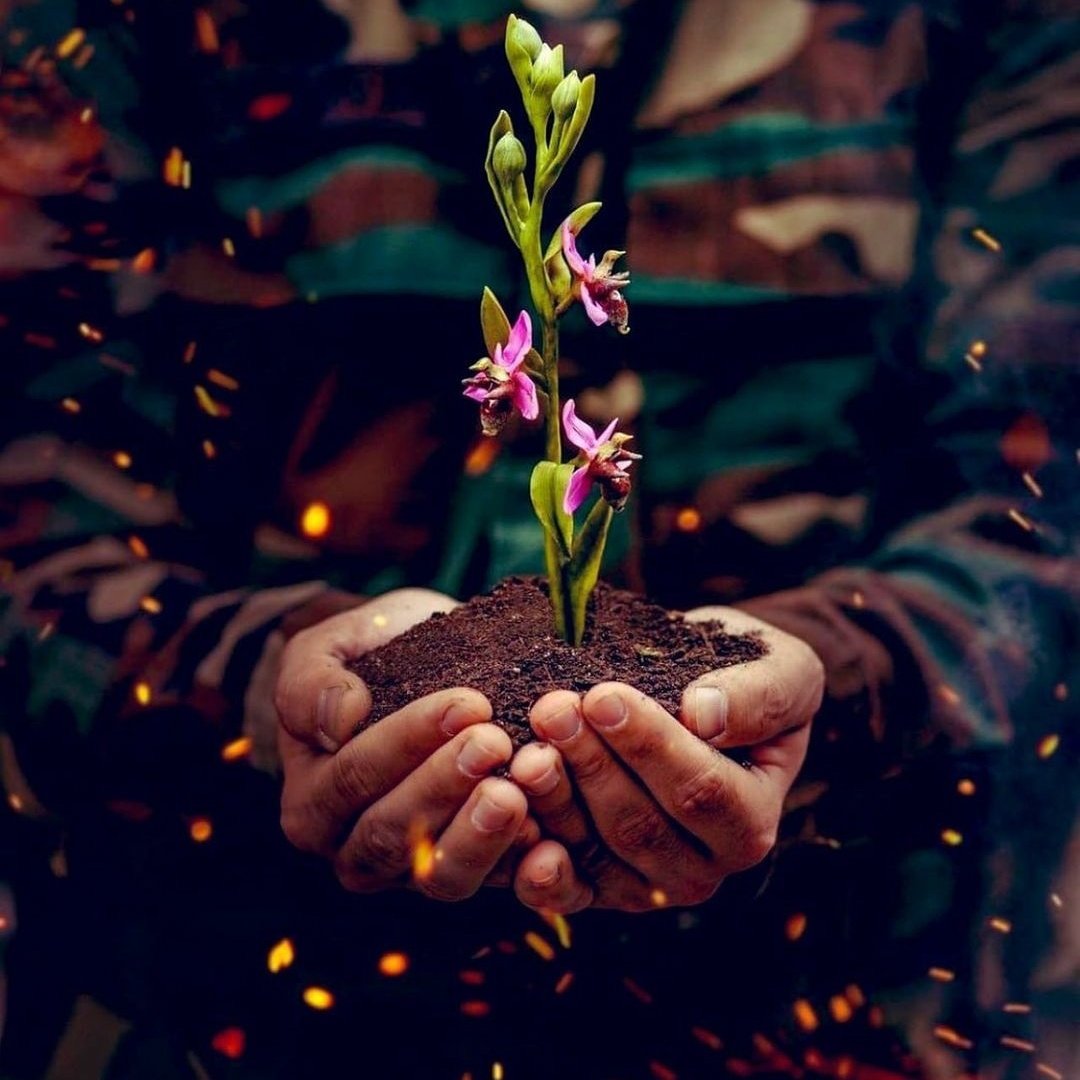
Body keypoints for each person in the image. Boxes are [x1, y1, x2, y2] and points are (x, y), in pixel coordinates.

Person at [1, 1, 1077, 1077]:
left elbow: (1045, 515)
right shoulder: (129, 27)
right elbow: (32, 535)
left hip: (841, 999)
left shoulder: (972, 28)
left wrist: (823, 687)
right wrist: (278, 691)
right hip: (256, 1011)